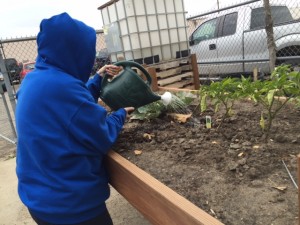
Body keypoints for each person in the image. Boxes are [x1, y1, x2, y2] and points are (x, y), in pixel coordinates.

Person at [15, 12, 134, 225]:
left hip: (39, 198)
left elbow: (70, 109)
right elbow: (102, 135)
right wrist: (120, 115)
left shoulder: (35, 79)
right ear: (77, 52)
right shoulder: (65, 89)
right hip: (72, 207)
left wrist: (97, 78)